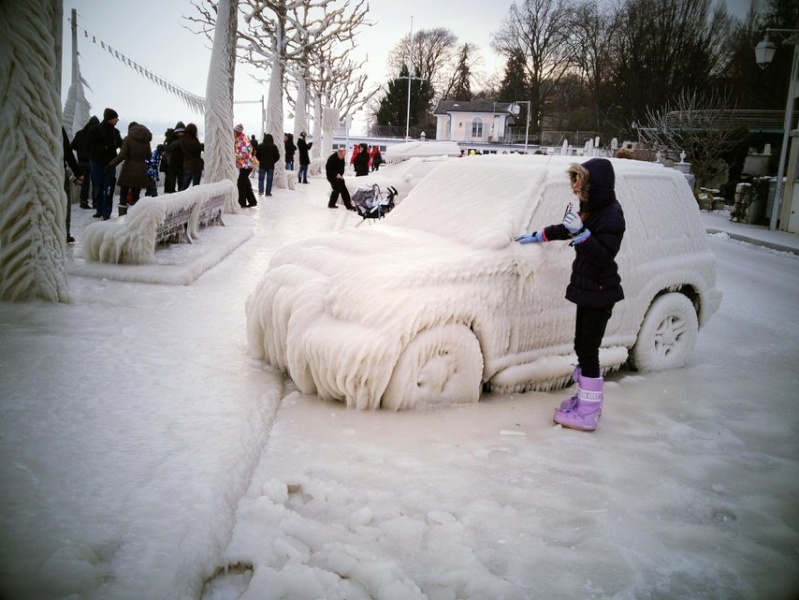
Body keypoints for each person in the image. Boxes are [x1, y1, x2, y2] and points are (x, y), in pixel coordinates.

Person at [513, 158, 626, 432]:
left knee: (588, 349)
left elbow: (603, 256)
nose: (574, 189)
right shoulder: (593, 208)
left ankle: (588, 411)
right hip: (590, 290)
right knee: (581, 345)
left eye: (579, 183)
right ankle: (584, 399)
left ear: (593, 184)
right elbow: (568, 228)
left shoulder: (612, 215)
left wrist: (582, 233)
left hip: (600, 292)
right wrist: (541, 235)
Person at [106, 121, 152, 212]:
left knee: (123, 194)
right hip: (141, 169)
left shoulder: (128, 139)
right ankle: (136, 217)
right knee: (136, 195)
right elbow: (149, 156)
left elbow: (122, 155)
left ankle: (122, 216)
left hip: (128, 168)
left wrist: (111, 164)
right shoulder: (146, 141)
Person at [86, 107, 123, 220]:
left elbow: (121, 145)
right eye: (115, 118)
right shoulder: (95, 130)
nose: (117, 120)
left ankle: (106, 212)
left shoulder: (115, 132)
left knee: (109, 189)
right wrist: (105, 148)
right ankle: (99, 209)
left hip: (110, 164)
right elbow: (88, 146)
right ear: (110, 119)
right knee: (98, 188)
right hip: (97, 163)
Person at [62, 126, 85, 243]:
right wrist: (78, 173)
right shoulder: (57, 127)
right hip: (58, 170)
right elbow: (67, 151)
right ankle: (65, 232)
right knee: (65, 202)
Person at [71, 115, 98, 209]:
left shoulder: (79, 133)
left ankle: (83, 201)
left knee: (84, 183)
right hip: (93, 161)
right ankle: (96, 203)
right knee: (95, 183)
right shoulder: (95, 134)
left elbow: (72, 146)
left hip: (81, 162)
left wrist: (80, 150)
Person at [234, 124, 257, 208]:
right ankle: (252, 201)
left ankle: (242, 203)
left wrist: (234, 155)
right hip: (244, 165)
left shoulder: (243, 140)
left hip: (246, 166)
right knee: (245, 184)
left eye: (235, 131)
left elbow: (246, 153)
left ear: (238, 132)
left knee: (240, 184)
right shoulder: (238, 139)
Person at [180, 123, 204, 188]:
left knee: (185, 185)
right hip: (196, 165)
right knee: (196, 186)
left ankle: (181, 197)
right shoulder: (194, 141)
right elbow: (200, 148)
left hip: (186, 165)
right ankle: (195, 198)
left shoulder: (182, 140)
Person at [165, 121, 185, 193]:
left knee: (181, 181)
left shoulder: (185, 139)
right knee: (171, 181)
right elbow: (168, 148)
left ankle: (180, 193)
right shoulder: (171, 139)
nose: (181, 134)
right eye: (179, 132)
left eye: (182, 132)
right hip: (172, 163)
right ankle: (172, 192)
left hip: (181, 163)